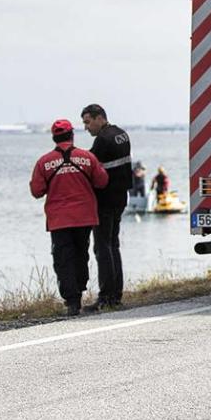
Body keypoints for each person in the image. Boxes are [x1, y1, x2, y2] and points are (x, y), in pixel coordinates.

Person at [29, 120, 108, 316]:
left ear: (54, 138)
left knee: (63, 258)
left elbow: (36, 191)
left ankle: (72, 301)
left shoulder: (44, 162)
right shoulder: (87, 157)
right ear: (72, 135)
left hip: (59, 219)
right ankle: (79, 292)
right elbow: (102, 181)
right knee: (81, 254)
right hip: (84, 217)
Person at [81, 104, 132, 310]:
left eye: (87, 122)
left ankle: (106, 297)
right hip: (121, 197)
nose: (86, 127)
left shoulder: (102, 139)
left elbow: (89, 163)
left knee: (102, 247)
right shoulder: (121, 134)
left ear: (99, 118)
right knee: (113, 245)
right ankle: (116, 295)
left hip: (105, 200)